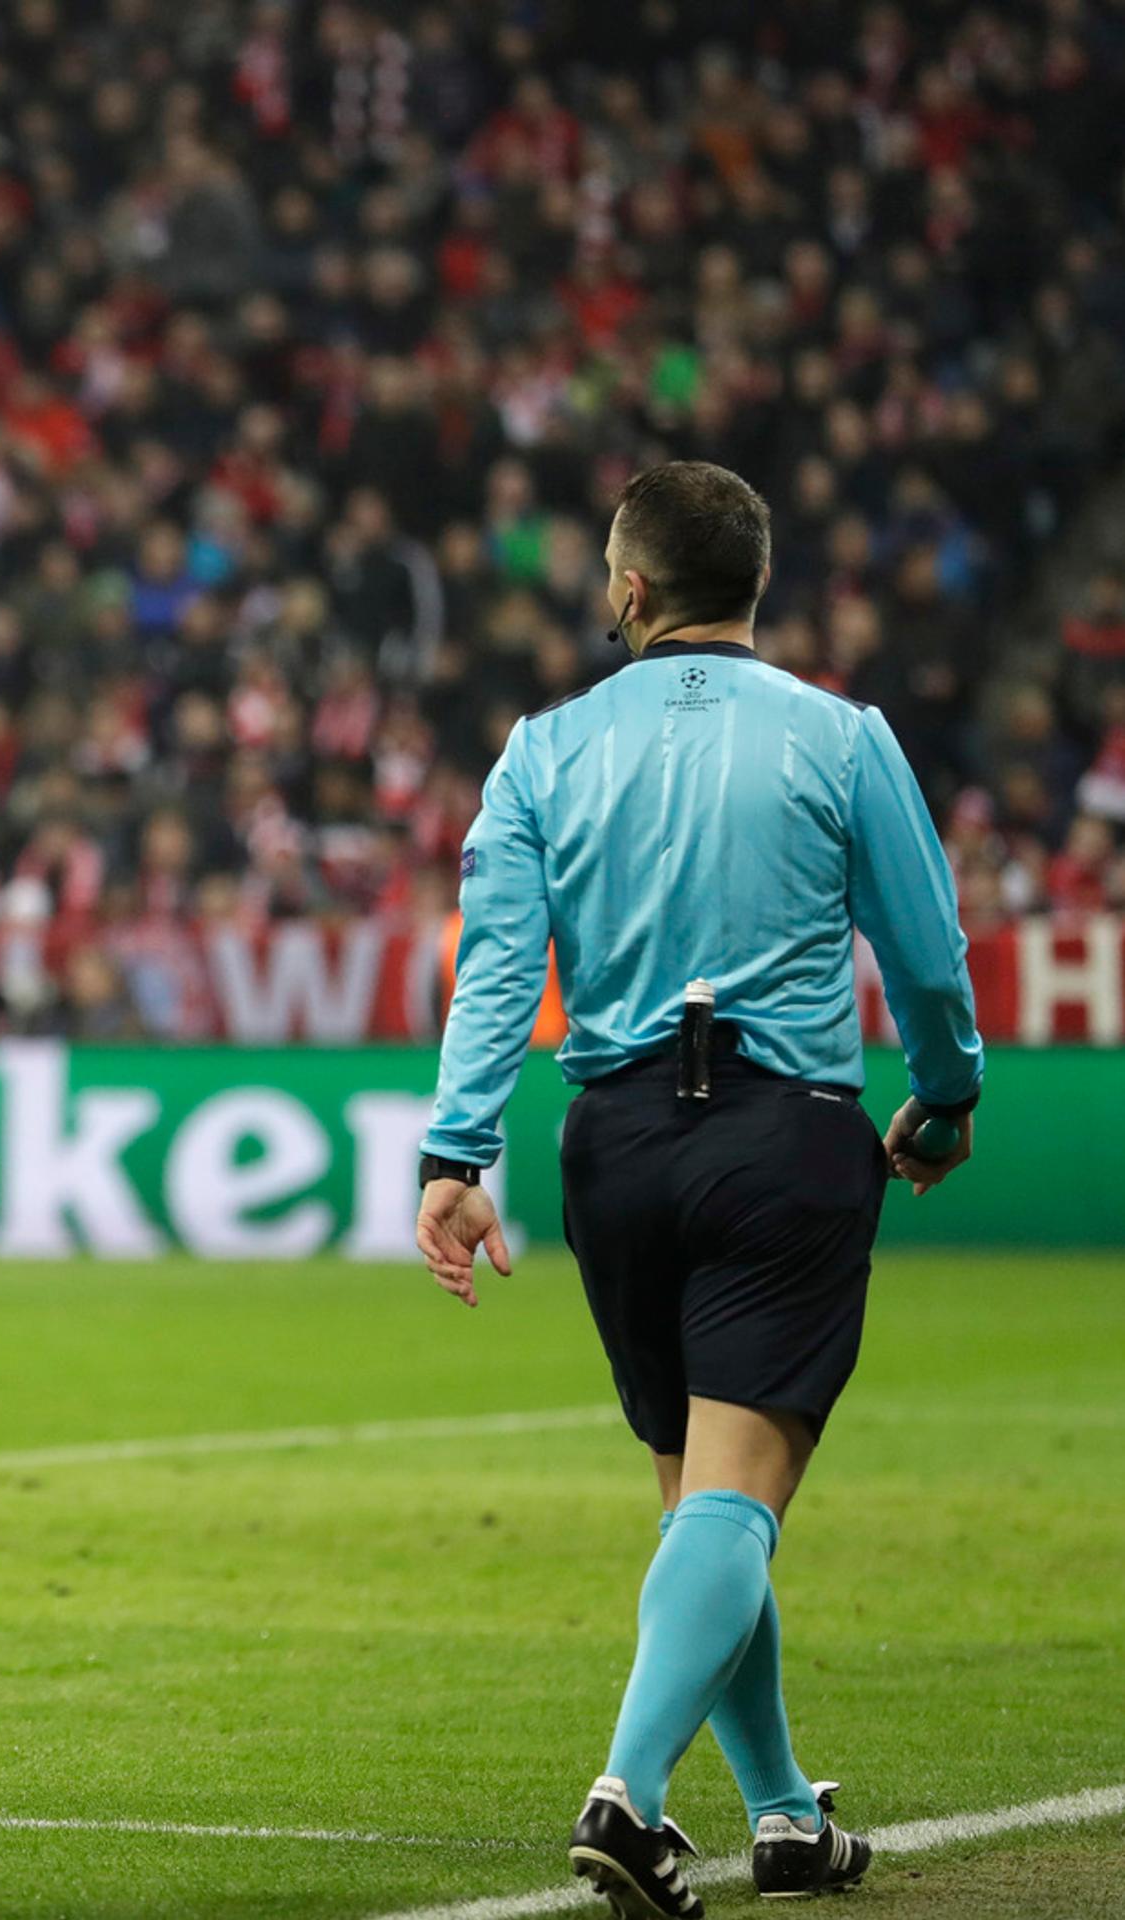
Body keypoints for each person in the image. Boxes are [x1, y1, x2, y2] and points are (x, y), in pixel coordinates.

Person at [413, 461, 981, 1916]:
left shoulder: (543, 750)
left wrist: (457, 1153)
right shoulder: (842, 739)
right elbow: (926, 958)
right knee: (732, 1503)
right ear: (756, 585)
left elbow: (497, 968)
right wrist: (943, 1097)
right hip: (783, 1139)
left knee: (699, 1505)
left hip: (615, 1147)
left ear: (629, 588)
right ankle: (629, 1796)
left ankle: (785, 1815)